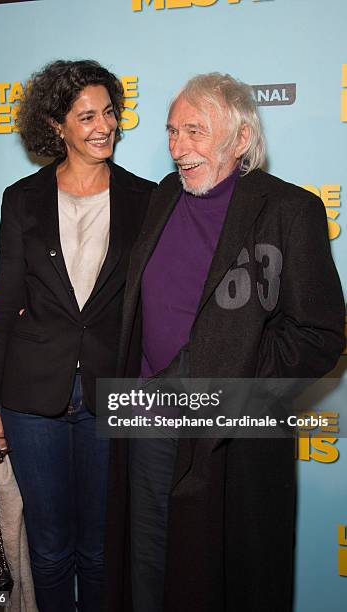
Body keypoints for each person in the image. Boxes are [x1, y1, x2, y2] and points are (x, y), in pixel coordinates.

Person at [105, 73, 345, 612]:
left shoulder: (290, 210)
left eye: (195, 130)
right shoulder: (163, 196)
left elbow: (320, 335)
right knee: (147, 564)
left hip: (234, 428)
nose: (178, 147)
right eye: (171, 132)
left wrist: (223, 376)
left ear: (240, 138)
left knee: (220, 574)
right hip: (148, 414)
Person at [0, 59, 155, 612]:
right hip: (30, 398)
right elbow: (4, 302)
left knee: (101, 550)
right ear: (56, 125)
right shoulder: (21, 198)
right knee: (49, 552)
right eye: (86, 116)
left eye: (110, 112)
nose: (104, 126)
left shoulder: (147, 198)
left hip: (110, 392)